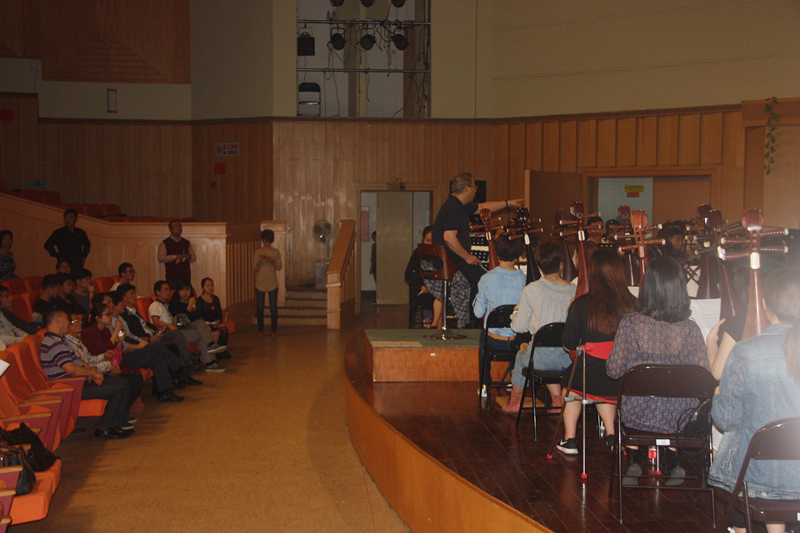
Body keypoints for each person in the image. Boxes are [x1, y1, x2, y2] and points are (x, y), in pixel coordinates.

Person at [708, 268, 800, 533]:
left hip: (755, 480)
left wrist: (717, 396)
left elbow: (725, 420)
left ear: (765, 305)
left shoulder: (745, 352)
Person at [606, 256, 710, 486]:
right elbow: (704, 379)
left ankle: (634, 458)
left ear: (648, 289)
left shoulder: (630, 323)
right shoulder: (691, 329)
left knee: (636, 395)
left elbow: (613, 370)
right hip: (680, 419)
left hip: (637, 416)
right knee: (676, 400)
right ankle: (674, 460)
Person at [555, 249, 637, 455]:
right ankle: (611, 434)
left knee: (571, 382)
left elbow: (568, 345)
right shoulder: (635, 304)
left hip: (590, 377)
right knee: (603, 383)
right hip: (626, 378)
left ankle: (570, 439)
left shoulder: (582, 305)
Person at [39, 308, 133, 440]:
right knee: (119, 388)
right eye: (66, 319)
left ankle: (115, 423)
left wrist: (91, 373)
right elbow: (70, 369)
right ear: (58, 320)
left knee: (122, 382)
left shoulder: (59, 341)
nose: (68, 323)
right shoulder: (53, 343)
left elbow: (80, 362)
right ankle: (105, 428)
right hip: (71, 387)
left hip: (79, 382)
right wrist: (92, 372)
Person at [505, 239, 576, 414]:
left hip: (538, 359)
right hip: (567, 360)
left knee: (520, 356)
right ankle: (557, 401)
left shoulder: (532, 289)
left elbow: (519, 327)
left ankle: (515, 402)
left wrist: (515, 312)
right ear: (561, 264)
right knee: (552, 355)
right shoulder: (574, 291)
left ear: (539, 266)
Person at [431, 172, 524, 304]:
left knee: (483, 277)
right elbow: (449, 238)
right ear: (466, 188)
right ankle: (475, 313)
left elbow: (482, 207)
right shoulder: (453, 208)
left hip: (452, 259)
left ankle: (475, 311)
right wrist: (468, 257)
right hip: (450, 261)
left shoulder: (459, 205)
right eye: (474, 186)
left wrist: (508, 203)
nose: (476, 190)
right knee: (485, 279)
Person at [63, 311, 143, 418]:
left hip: (95, 371)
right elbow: (83, 366)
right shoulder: (70, 342)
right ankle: (111, 421)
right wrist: (108, 365)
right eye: (76, 321)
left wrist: (104, 356)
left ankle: (121, 414)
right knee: (123, 383)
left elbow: (89, 358)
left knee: (134, 378)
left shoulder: (78, 339)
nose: (80, 322)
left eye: (79, 320)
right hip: (86, 378)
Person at [472, 234, 526, 393]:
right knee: (519, 328)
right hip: (516, 342)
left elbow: (478, 313)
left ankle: (484, 384)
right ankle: (513, 379)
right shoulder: (525, 280)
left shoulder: (486, 279)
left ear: (496, 252)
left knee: (483, 338)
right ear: (518, 255)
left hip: (493, 341)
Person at [149, 280, 226, 372]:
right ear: (158, 292)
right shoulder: (156, 305)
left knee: (200, 324)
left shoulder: (165, 305)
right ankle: (209, 361)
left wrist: (192, 306)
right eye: (165, 290)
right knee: (202, 332)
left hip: (181, 328)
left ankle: (210, 349)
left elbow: (194, 317)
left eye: (169, 289)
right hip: (171, 332)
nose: (168, 292)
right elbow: (155, 322)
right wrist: (169, 325)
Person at [405, 226, 436, 327]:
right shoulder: (418, 253)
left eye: (433, 241)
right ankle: (428, 321)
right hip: (422, 288)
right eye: (428, 241)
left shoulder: (440, 252)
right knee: (427, 297)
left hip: (437, 287)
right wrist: (421, 286)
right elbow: (409, 274)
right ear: (423, 240)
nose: (431, 244)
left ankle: (436, 323)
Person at [253, 229, 282, 338]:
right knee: (260, 308)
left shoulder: (275, 252)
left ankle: (273, 330)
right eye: (265, 240)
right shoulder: (258, 252)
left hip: (272, 282)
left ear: (271, 241)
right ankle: (260, 330)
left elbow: (279, 267)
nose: (266, 243)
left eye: (268, 241)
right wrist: (260, 261)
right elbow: (254, 267)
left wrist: (271, 260)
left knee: (273, 308)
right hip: (260, 283)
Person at [196, 277, 231, 357]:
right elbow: (199, 315)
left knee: (224, 329)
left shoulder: (216, 299)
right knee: (216, 331)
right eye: (208, 286)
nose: (210, 288)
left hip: (215, 323)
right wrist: (209, 323)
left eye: (212, 285)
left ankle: (222, 351)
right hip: (206, 324)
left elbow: (219, 313)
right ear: (203, 288)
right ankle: (213, 353)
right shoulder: (199, 301)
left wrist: (218, 321)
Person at [158, 220, 195, 285]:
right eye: (176, 226)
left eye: (180, 226)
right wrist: (176, 257)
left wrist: (188, 257)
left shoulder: (186, 242)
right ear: (170, 229)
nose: (178, 228)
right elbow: (160, 258)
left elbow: (193, 257)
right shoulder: (165, 243)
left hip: (185, 275)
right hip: (172, 276)